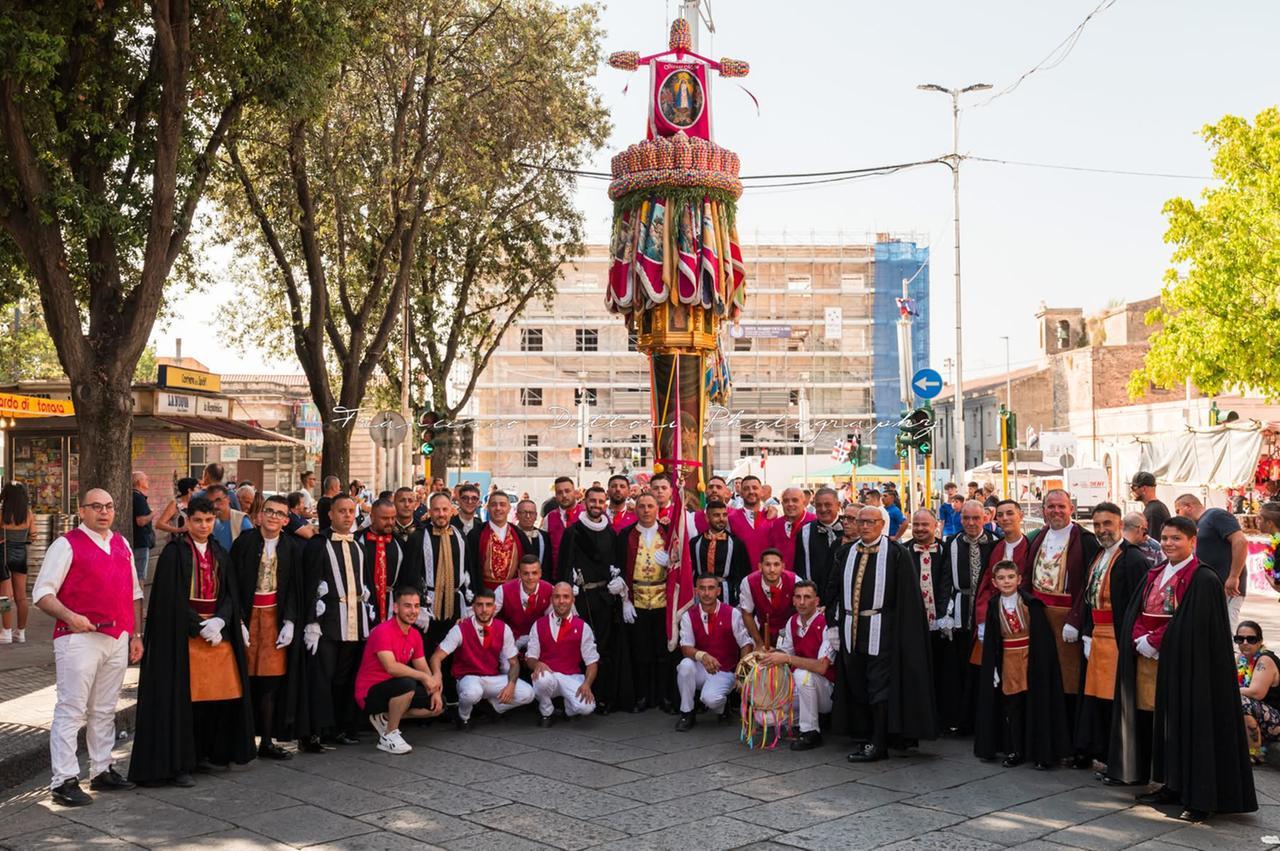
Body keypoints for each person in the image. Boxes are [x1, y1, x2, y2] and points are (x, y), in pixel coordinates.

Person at [1109, 515, 1256, 822]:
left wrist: (1156, 641)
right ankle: (1171, 785)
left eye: (1176, 538)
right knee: (1166, 727)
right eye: (1165, 538)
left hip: (1191, 667)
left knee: (1193, 728)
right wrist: (1138, 637)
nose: (1168, 544)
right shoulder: (1156, 572)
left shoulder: (1204, 579)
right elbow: (1139, 610)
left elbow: (1194, 624)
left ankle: (1200, 796)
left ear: (1193, 541)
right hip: (1155, 662)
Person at [130, 496, 255, 787]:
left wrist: (221, 620)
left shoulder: (219, 551)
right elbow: (170, 599)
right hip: (182, 636)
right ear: (187, 520)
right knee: (183, 701)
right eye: (197, 520)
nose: (203, 526)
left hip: (216, 634)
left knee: (219, 696)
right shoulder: (174, 553)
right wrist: (198, 625)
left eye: (208, 520)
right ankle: (180, 763)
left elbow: (230, 593)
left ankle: (206, 752)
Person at [33, 489, 144, 806]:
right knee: (71, 709)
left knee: (105, 708)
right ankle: (63, 780)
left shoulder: (122, 544)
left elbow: (135, 593)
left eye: (108, 506)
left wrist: (136, 634)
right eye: (96, 506)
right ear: (82, 511)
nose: (104, 512)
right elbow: (42, 593)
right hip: (78, 638)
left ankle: (101, 769)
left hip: (117, 637)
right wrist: (71, 617)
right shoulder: (66, 544)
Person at [824, 506, 937, 762]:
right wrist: (833, 623)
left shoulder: (897, 553)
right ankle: (864, 735)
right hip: (850, 629)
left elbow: (908, 598)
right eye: (860, 521)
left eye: (870, 522)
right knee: (857, 683)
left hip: (882, 632)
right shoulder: (845, 552)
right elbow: (832, 590)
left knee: (879, 686)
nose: (864, 526)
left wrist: (902, 635)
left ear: (881, 524)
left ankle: (879, 743)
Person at [1021, 489, 1100, 763]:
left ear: (1071, 509)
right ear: (1043, 510)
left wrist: (1077, 620)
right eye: (1051, 506)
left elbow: (1089, 584)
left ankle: (1073, 745)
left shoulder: (1085, 540)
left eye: (1061, 506)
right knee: (1043, 678)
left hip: (1067, 618)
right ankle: (1046, 741)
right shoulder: (1038, 536)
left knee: (1069, 683)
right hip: (1040, 616)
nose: (1056, 511)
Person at [1074, 502, 1150, 773]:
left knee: (1115, 700)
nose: (1101, 529)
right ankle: (1097, 752)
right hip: (1096, 636)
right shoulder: (1098, 555)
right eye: (1096, 525)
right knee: (1095, 698)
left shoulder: (1133, 559)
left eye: (1107, 523)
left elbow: (1138, 605)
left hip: (1118, 638)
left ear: (1120, 524)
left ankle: (1117, 760)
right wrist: (1086, 632)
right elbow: (1089, 599)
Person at [974, 561, 1071, 770]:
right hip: (1008, 661)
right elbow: (992, 640)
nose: (1006, 581)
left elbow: (1042, 639)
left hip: (1031, 658)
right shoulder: (993, 605)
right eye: (1001, 578)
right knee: (1013, 707)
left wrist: (1041, 664)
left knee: (1036, 705)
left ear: (1019, 579)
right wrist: (993, 668)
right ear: (994, 582)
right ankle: (1015, 750)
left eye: (1010, 577)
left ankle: (1040, 753)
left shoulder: (1031, 604)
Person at [230, 494, 301, 761]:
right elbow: (233, 584)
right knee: (244, 678)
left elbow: (294, 587)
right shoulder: (244, 542)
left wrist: (290, 621)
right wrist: (238, 620)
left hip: (274, 618)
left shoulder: (291, 547)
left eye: (280, 513)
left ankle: (268, 740)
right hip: (247, 617)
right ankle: (243, 739)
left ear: (286, 520)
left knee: (271, 682)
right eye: (269, 511)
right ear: (260, 515)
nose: (273, 517)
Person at [303, 494, 374, 746]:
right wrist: (311, 620)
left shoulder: (359, 546)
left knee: (345, 677)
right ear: (330, 514)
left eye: (351, 511)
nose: (347, 515)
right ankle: (316, 731)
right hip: (328, 621)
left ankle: (341, 727)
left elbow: (365, 582)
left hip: (355, 621)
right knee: (322, 676)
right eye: (342, 511)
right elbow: (309, 584)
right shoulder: (318, 544)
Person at [556, 486, 625, 712]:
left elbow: (616, 564)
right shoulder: (573, 532)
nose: (596, 505)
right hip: (581, 599)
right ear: (584, 502)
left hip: (604, 598)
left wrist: (618, 582)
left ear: (605, 504)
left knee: (602, 647)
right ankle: (576, 694)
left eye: (600, 501)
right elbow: (564, 565)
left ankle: (602, 696)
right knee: (578, 646)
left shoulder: (610, 533)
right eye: (592, 501)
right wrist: (569, 588)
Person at [428, 588, 534, 729]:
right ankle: (463, 716)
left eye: (488, 605)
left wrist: (511, 685)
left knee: (528, 693)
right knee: (472, 693)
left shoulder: (503, 628)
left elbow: (514, 662)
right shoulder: (460, 629)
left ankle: (492, 707)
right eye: (480, 605)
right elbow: (436, 657)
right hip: (468, 678)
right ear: (473, 607)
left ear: (494, 607)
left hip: (493, 678)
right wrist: (437, 675)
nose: (484, 610)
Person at [355, 586, 444, 755]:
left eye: (416, 606)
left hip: (395, 689)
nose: (413, 611)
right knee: (407, 684)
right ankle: (389, 736)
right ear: (396, 608)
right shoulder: (383, 631)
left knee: (439, 705)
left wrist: (435, 691)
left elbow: (423, 667)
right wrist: (424, 678)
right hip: (370, 693)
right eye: (407, 606)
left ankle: (385, 717)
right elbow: (391, 667)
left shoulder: (415, 634)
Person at [941, 499, 997, 734]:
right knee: (961, 668)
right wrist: (944, 613)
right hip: (961, 612)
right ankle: (963, 720)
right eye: (966, 518)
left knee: (985, 667)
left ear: (985, 518)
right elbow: (944, 580)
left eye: (976, 518)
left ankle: (987, 719)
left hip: (987, 614)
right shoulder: (951, 543)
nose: (971, 523)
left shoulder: (996, 543)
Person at [674, 573, 754, 731]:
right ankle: (687, 713)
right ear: (696, 591)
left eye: (711, 588)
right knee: (685, 665)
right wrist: (703, 656)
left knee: (710, 699)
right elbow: (685, 648)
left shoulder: (732, 613)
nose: (706, 593)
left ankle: (723, 707)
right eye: (702, 588)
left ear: (718, 591)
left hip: (724, 670)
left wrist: (742, 673)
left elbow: (746, 644)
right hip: (701, 668)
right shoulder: (688, 616)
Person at [619, 493, 675, 713]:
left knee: (663, 651)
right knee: (640, 651)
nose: (646, 510)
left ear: (657, 508)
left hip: (663, 600)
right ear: (636, 509)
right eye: (641, 506)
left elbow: (681, 563)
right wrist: (625, 599)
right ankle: (642, 695)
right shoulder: (626, 534)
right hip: (637, 599)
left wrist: (671, 562)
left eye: (650, 506)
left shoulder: (668, 532)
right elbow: (620, 567)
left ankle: (664, 696)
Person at [763, 579, 835, 751]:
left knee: (802, 674)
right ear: (793, 600)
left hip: (827, 691)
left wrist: (787, 658)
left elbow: (821, 667)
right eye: (798, 597)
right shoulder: (792, 621)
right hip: (802, 686)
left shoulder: (826, 624)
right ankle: (801, 720)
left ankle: (810, 732)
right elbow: (785, 652)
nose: (802, 602)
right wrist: (771, 654)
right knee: (765, 719)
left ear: (816, 601)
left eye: (807, 597)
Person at [526, 581, 600, 726]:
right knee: (541, 678)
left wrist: (587, 684)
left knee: (587, 707)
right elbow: (530, 658)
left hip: (572, 677)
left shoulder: (583, 627)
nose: (561, 601)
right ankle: (546, 711)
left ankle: (569, 709)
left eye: (566, 597)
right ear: (551, 599)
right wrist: (537, 664)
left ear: (573, 600)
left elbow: (592, 662)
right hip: (549, 676)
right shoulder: (539, 624)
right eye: (557, 597)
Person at [1173, 493, 1248, 633]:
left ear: (1188, 506)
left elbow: (1240, 541)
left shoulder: (1216, 515)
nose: (1177, 515)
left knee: (1226, 631)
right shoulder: (1200, 524)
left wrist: (1233, 576)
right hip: (1212, 589)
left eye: (1178, 510)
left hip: (1228, 587)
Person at [973, 500, 1032, 655]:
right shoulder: (993, 548)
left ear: (1021, 516)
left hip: (1024, 622)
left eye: (1010, 513)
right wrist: (982, 620)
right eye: (1000, 515)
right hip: (994, 617)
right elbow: (985, 586)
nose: (1005, 518)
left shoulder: (1032, 548)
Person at [360, 498, 413, 624]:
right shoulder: (358, 540)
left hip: (392, 604)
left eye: (393, 518)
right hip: (365, 603)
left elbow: (405, 577)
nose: (390, 522)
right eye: (384, 518)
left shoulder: (400, 542)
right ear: (372, 518)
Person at [690, 500, 750, 605]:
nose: (722, 519)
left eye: (724, 515)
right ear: (707, 518)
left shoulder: (736, 543)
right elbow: (689, 570)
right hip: (701, 592)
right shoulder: (695, 542)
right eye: (716, 515)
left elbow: (743, 574)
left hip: (726, 593)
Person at [1236, 620, 1280, 763]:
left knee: (1242, 702)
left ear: (1260, 641)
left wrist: (1229, 690)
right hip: (1262, 716)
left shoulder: (1265, 660)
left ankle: (1255, 753)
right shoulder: (1241, 659)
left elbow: (1256, 692)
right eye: (1239, 639)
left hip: (1276, 718)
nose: (1245, 643)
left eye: (1251, 639)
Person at [738, 548, 796, 650]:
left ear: (783, 567)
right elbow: (747, 614)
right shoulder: (748, 582)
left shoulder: (795, 581)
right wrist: (759, 643)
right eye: (767, 565)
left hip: (788, 632)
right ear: (760, 567)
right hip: (761, 630)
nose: (772, 570)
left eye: (776, 565)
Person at [494, 555, 553, 652]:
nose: (530, 577)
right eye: (526, 573)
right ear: (519, 574)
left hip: (539, 642)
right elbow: (487, 615)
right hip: (509, 643)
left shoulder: (550, 591)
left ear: (540, 573)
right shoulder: (503, 590)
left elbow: (552, 622)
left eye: (534, 573)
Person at [1, 483, 36, 643]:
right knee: (21, 597)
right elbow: (33, 535)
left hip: (3, 555)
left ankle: (6, 632)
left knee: (4, 597)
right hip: (20, 554)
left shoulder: (2, 514)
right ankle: (20, 632)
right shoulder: (28, 514)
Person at [467, 492, 524, 591]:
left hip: (511, 591)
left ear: (509, 508)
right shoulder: (476, 534)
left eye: (502, 504)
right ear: (487, 508)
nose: (498, 508)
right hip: (484, 592)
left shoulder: (519, 534)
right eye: (493, 504)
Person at [794, 487, 842, 592]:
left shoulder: (849, 529)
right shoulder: (805, 531)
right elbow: (799, 567)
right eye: (819, 505)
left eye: (828, 505)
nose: (823, 509)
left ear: (838, 505)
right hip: (815, 593)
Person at [728, 475, 774, 568]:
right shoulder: (731, 519)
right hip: (741, 573)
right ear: (741, 493)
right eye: (746, 489)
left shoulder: (773, 516)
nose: (751, 491)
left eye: (755, 488)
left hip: (769, 573)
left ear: (761, 492)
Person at [766, 487, 811, 573]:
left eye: (795, 500)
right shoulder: (776, 524)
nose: (790, 504)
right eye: (786, 501)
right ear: (782, 504)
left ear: (804, 502)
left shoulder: (813, 522)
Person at [544, 476, 582, 566]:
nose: (564, 495)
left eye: (567, 491)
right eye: (559, 492)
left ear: (574, 492)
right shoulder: (549, 518)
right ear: (555, 495)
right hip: (557, 571)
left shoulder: (586, 514)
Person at [207, 484, 251, 552]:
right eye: (211, 502)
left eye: (218, 500)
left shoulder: (241, 521)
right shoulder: (209, 522)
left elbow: (252, 548)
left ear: (228, 499)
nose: (214, 505)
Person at [130, 471, 155, 583]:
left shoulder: (135, 496)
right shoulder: (138, 498)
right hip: (140, 542)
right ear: (138, 482)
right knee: (140, 576)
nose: (148, 481)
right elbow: (140, 521)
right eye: (145, 479)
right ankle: (140, 594)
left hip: (137, 541)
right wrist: (152, 514)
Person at [1131, 472, 1169, 542]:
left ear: (1143, 489)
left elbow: (1152, 543)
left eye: (1134, 488)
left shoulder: (1153, 512)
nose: (1132, 491)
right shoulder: (1157, 507)